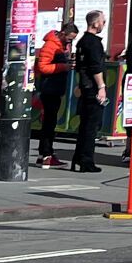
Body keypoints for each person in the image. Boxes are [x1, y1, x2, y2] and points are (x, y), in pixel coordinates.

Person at [33, 21, 78, 168]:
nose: (71, 41)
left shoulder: (60, 45)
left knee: (49, 123)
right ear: (63, 33)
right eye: (70, 38)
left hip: (54, 88)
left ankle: (44, 154)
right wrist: (63, 67)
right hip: (49, 89)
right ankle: (47, 154)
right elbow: (42, 67)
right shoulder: (51, 45)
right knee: (49, 123)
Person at [72, 9, 109, 173]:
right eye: (102, 21)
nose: (103, 24)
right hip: (93, 89)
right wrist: (101, 87)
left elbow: (80, 67)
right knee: (91, 126)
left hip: (84, 87)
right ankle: (87, 160)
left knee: (84, 125)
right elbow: (96, 67)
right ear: (95, 23)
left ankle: (78, 158)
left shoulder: (81, 42)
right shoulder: (94, 43)